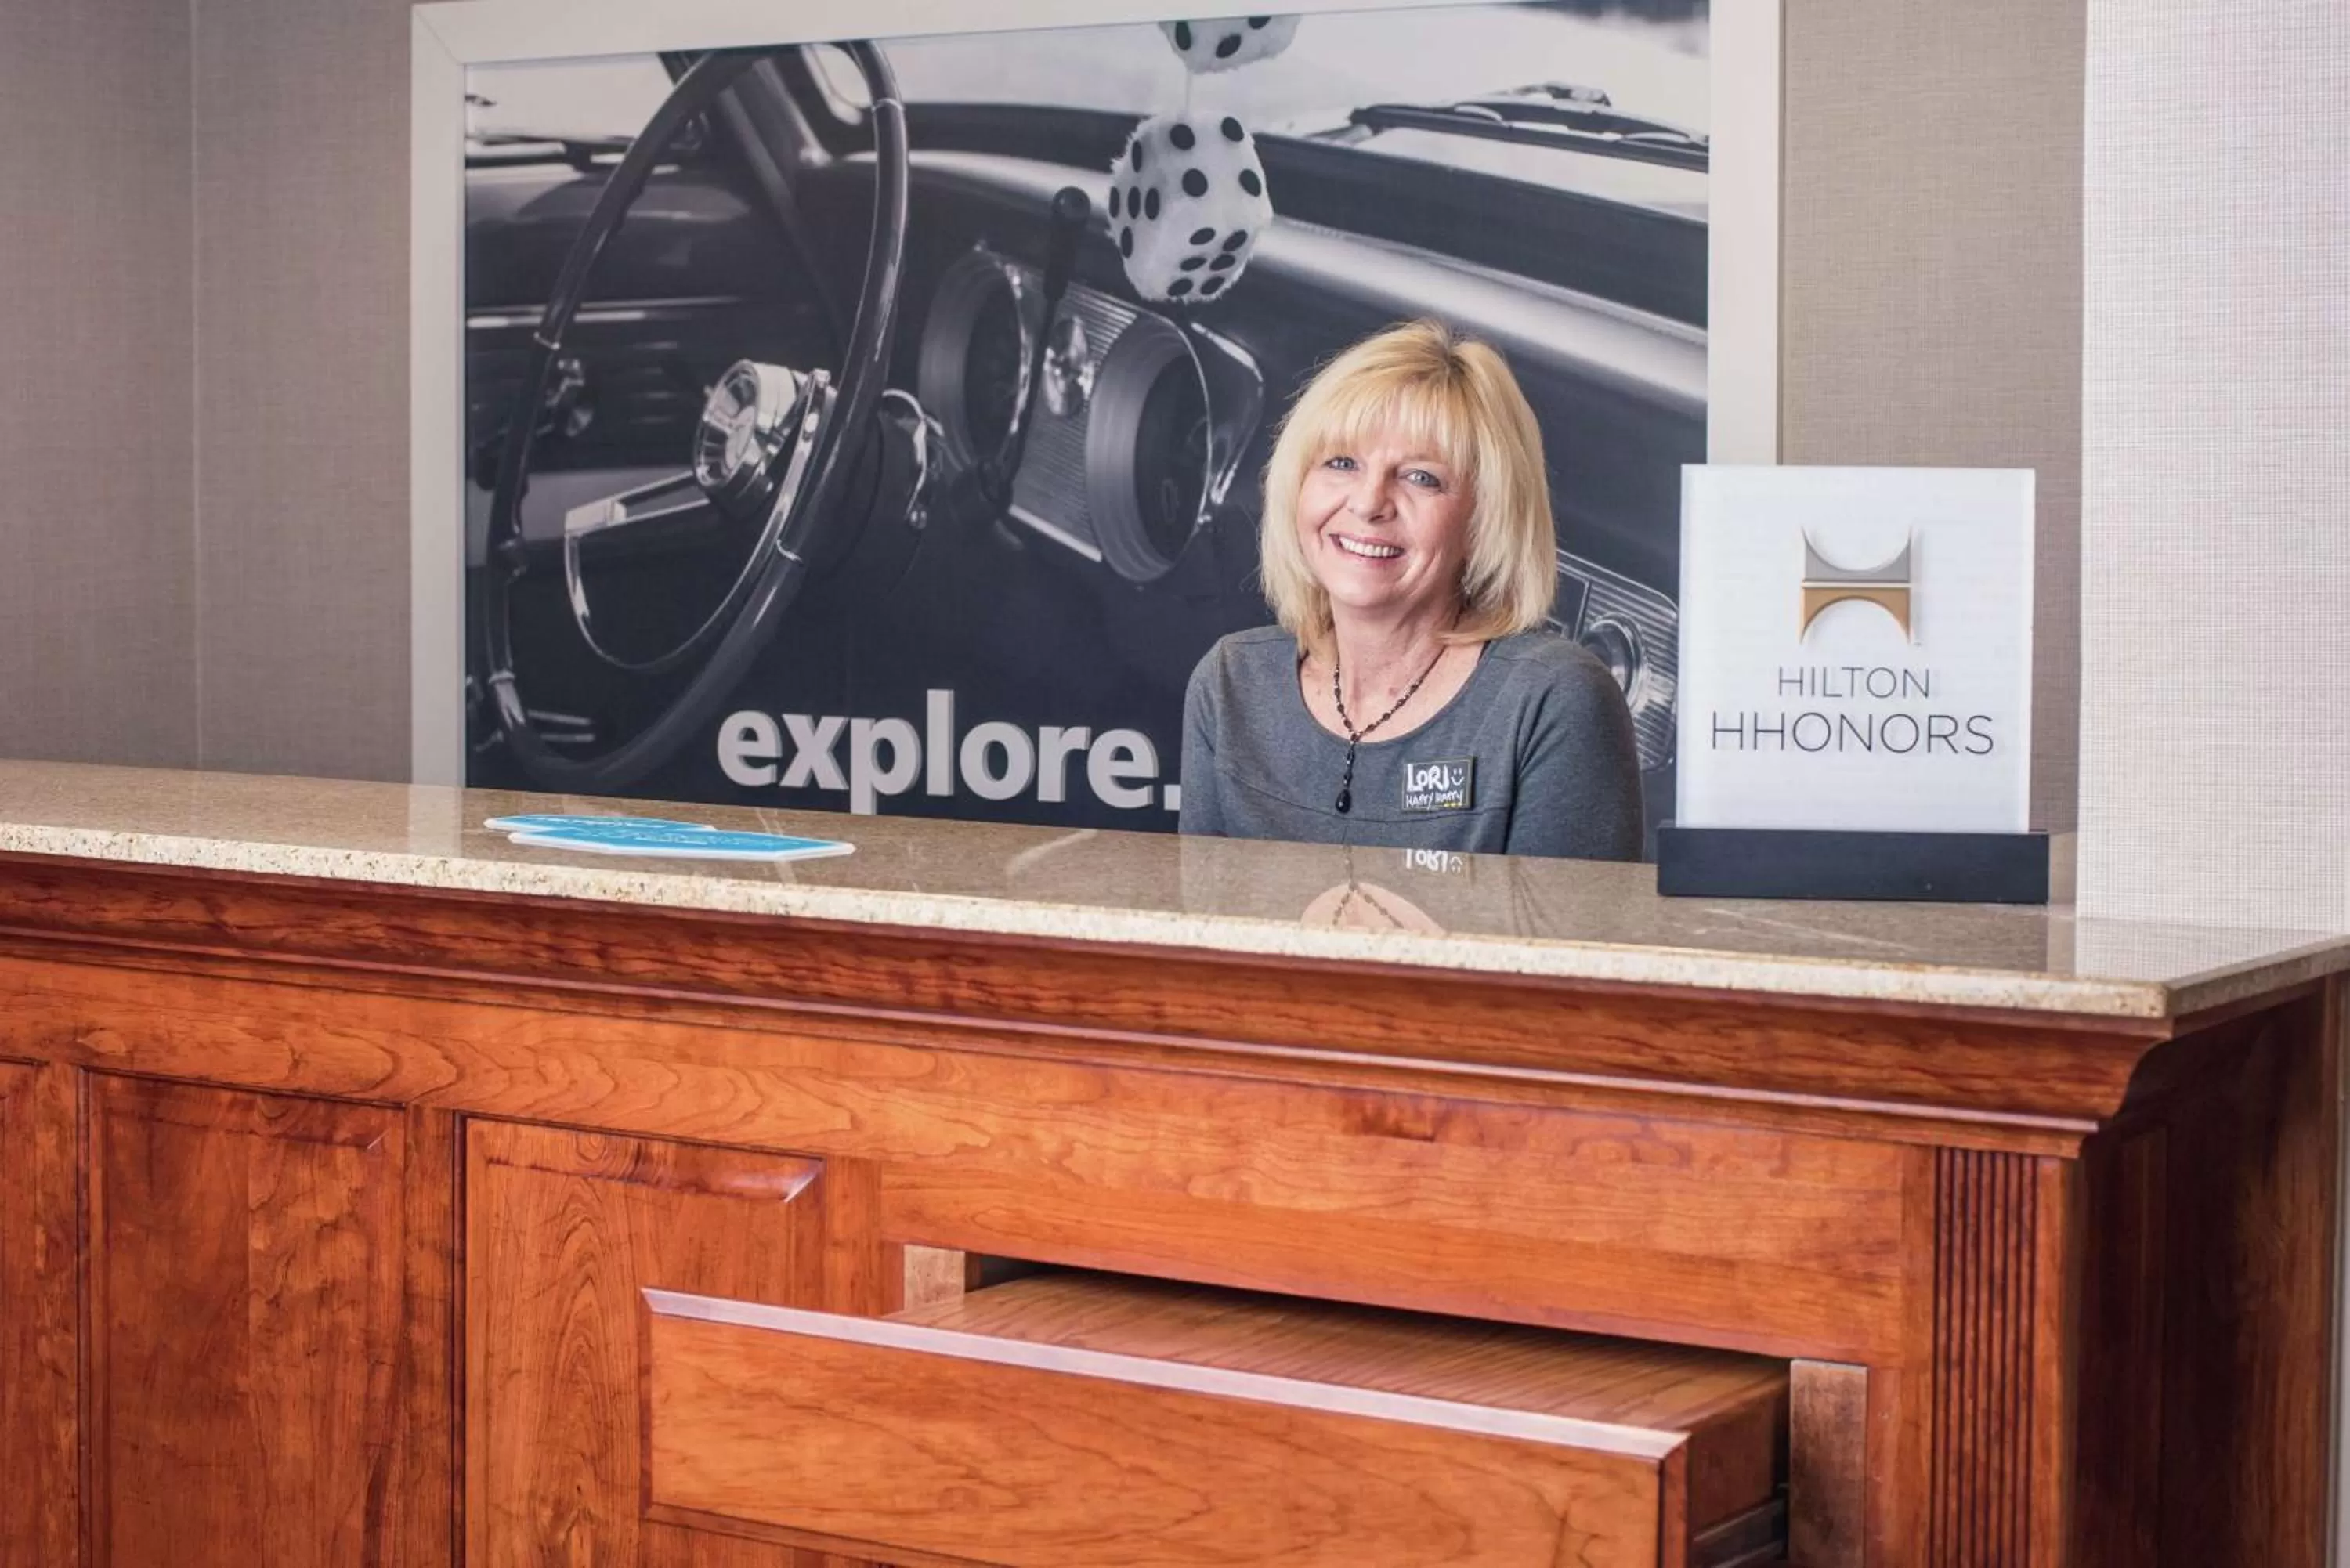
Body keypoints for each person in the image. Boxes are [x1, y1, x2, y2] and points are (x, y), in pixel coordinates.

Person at [1179, 319, 1643, 860]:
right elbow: (1203, 939)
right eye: (1342, 463)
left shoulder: (1552, 701)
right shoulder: (1230, 684)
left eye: (1421, 477)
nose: (1369, 502)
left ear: (1485, 519)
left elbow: (1564, 947)